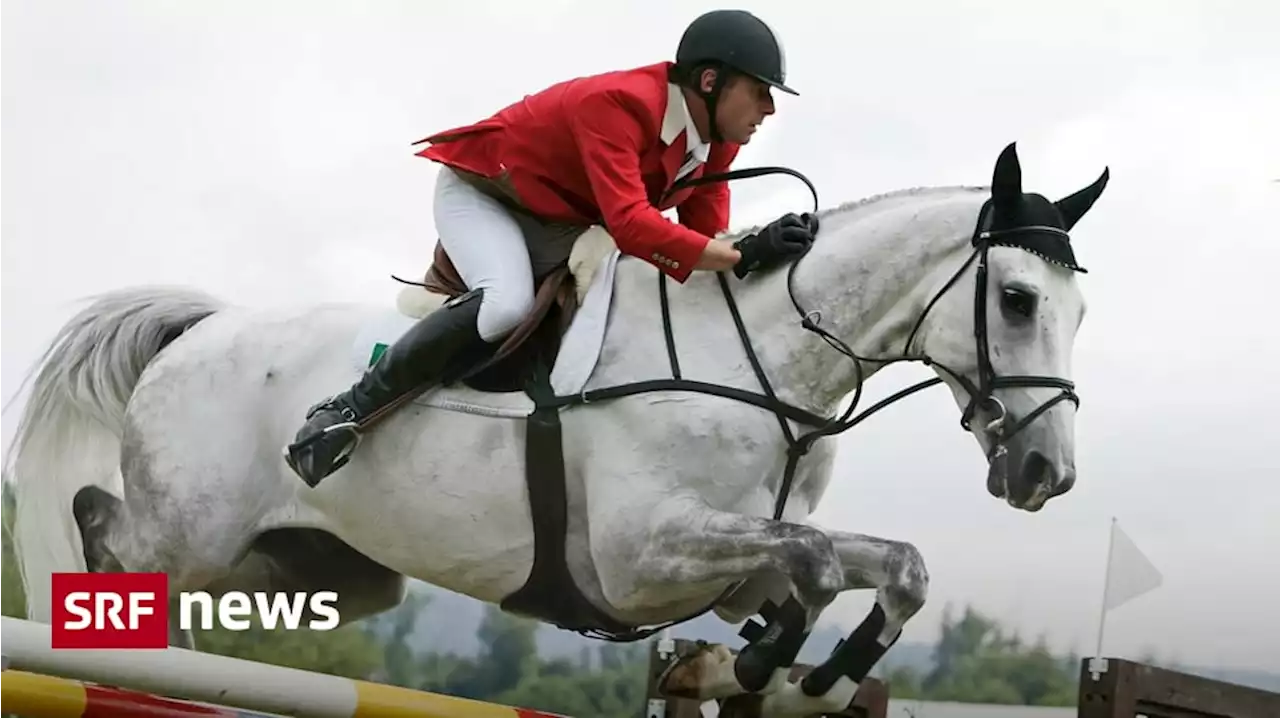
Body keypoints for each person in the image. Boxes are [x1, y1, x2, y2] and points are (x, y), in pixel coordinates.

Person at [283, 9, 820, 487]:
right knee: (507, 305)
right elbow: (633, 225)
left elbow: (704, 242)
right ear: (710, 80)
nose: (768, 108)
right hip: (485, 195)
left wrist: (753, 253)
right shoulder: (619, 104)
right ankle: (343, 411)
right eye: (760, 91)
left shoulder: (714, 143)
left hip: (558, 218)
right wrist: (739, 254)